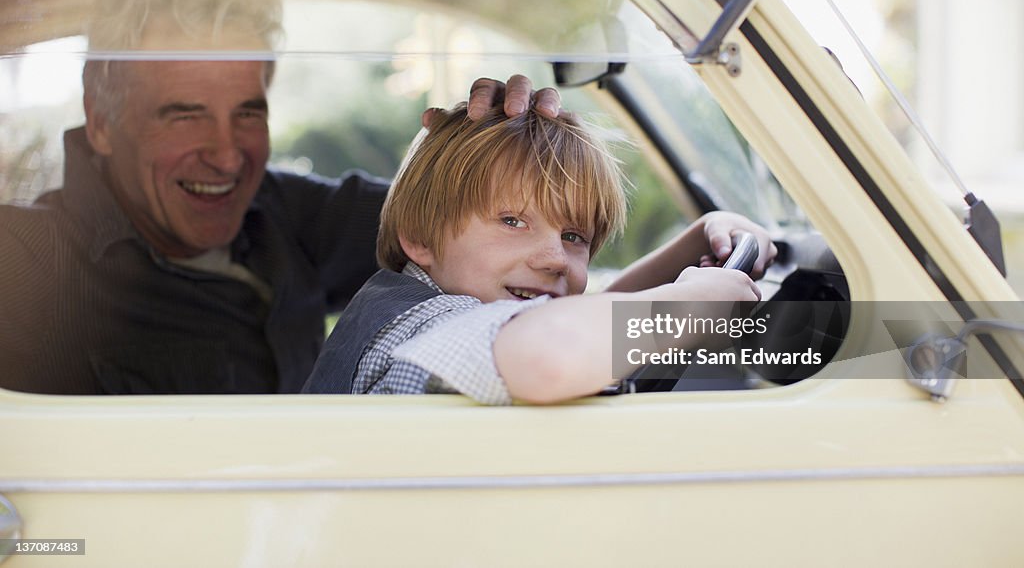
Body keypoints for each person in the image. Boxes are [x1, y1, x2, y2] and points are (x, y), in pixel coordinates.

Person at [0, 0, 560, 395]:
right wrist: (648, 332)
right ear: (102, 124)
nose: (226, 156)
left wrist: (504, 146)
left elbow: (508, 247)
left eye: (248, 113)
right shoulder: (23, 259)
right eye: (185, 114)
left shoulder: (286, 211)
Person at [302, 103, 775, 404]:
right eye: (512, 222)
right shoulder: (424, 324)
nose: (553, 257)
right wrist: (692, 305)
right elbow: (555, 350)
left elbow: (580, 316)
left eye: (574, 236)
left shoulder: (441, 293)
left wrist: (699, 240)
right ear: (420, 238)